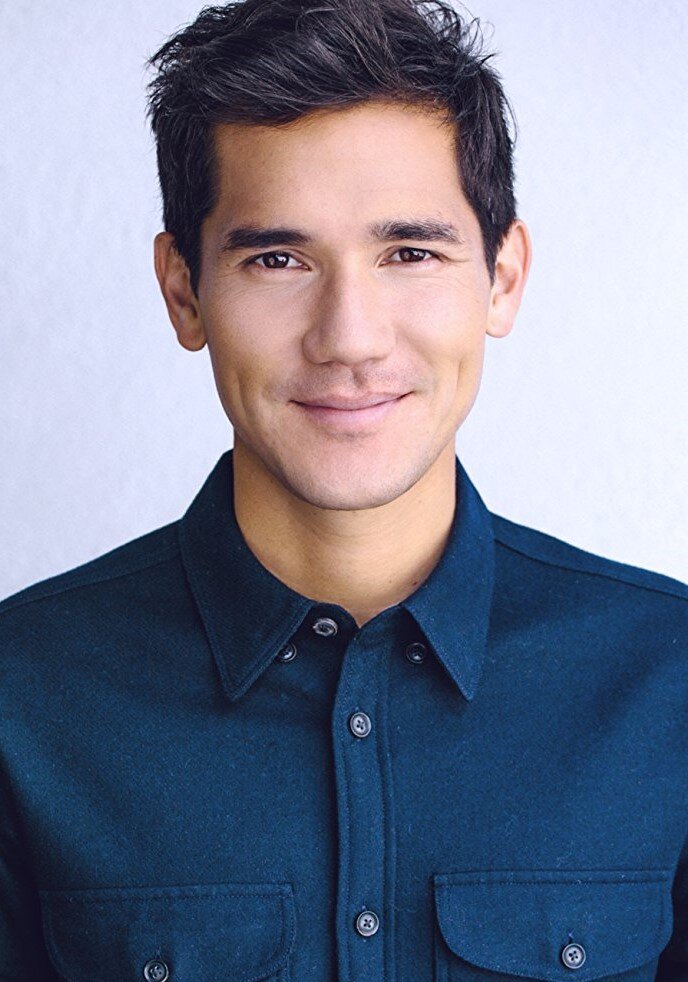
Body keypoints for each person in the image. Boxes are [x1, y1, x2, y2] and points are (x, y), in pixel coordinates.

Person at [1, 0, 685, 978]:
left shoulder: (667, 679)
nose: (350, 337)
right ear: (184, 291)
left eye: (410, 253)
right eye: (277, 259)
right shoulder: (23, 693)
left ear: (501, 277)